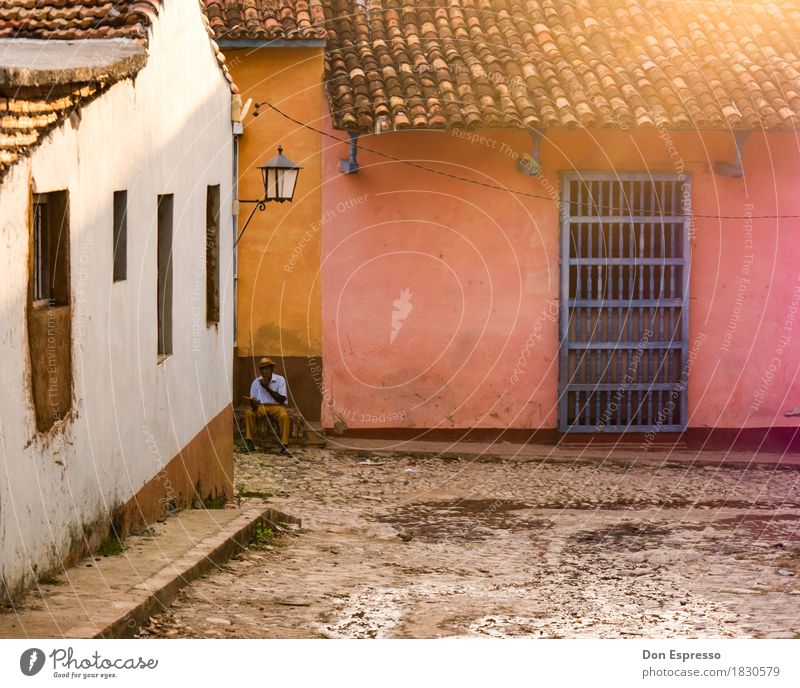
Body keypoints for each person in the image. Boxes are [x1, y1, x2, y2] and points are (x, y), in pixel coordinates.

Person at [243, 357, 291, 455]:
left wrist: (267, 388)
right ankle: (249, 443)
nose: (264, 371)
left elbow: (282, 399)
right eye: (262, 369)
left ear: (272, 369)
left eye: (266, 368)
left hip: (277, 406)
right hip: (261, 406)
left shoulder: (280, 379)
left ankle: (284, 446)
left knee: (284, 416)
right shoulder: (256, 382)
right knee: (249, 413)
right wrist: (253, 403)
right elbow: (254, 404)